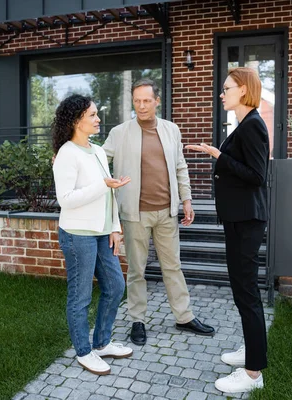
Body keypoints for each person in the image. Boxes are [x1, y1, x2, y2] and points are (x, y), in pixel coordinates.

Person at [102, 79, 215, 346]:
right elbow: (98, 159)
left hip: (167, 212)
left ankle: (184, 316)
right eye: (137, 101)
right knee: (137, 270)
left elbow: (180, 167)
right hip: (134, 213)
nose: (141, 106)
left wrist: (186, 200)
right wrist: (69, 155)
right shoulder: (120, 133)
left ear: (156, 101)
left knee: (172, 266)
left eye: (146, 100)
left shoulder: (170, 130)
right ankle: (137, 320)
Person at [186, 67, 270, 393]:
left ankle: (252, 374)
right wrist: (217, 154)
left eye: (226, 88)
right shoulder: (243, 125)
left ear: (243, 90)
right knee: (241, 291)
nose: (221, 94)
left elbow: (257, 175)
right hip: (239, 219)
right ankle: (252, 351)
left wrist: (218, 155)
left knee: (247, 293)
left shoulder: (252, 127)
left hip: (247, 220)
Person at [52, 94, 133, 375]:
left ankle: (101, 343)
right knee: (80, 296)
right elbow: (67, 199)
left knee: (115, 287)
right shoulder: (66, 154)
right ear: (76, 121)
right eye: (92, 115)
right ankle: (84, 352)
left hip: (101, 233)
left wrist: (114, 227)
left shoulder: (97, 151)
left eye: (97, 114)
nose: (98, 119)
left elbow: (108, 194)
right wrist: (103, 184)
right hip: (77, 235)